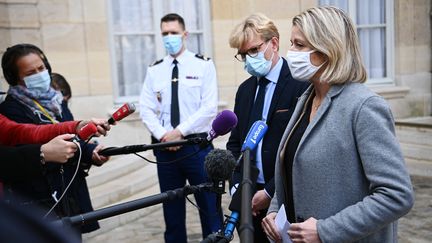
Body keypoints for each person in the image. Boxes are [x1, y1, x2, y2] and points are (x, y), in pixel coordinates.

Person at [261, 6, 414, 243]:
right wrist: (274, 210)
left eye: (299, 45)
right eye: (291, 43)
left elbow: (396, 195)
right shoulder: (306, 99)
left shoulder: (364, 107)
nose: (290, 52)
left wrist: (326, 230)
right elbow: (291, 169)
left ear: (327, 50)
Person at [0, 43, 109, 234]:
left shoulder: (57, 100)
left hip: (70, 191)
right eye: (30, 72)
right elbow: (27, 138)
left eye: (41, 68)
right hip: (41, 198)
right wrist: (47, 152)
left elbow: (70, 137)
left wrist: (90, 152)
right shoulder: (10, 109)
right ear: (14, 78)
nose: (39, 74)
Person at [226, 13, 309, 242]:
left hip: (285, 198)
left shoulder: (300, 84)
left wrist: (270, 192)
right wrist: (239, 189)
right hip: (248, 198)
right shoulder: (244, 90)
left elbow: (300, 148)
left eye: (253, 50)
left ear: (274, 43)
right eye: (243, 55)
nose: (249, 59)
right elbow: (235, 144)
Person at [139, 13, 221, 243]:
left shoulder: (203, 65)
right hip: (166, 150)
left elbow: (208, 108)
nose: (169, 37)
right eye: (165, 33)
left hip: (195, 147)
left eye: (174, 32)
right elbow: (145, 108)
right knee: (171, 211)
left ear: (185, 34)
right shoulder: (155, 70)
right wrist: (163, 135)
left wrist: (180, 132)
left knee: (208, 207)